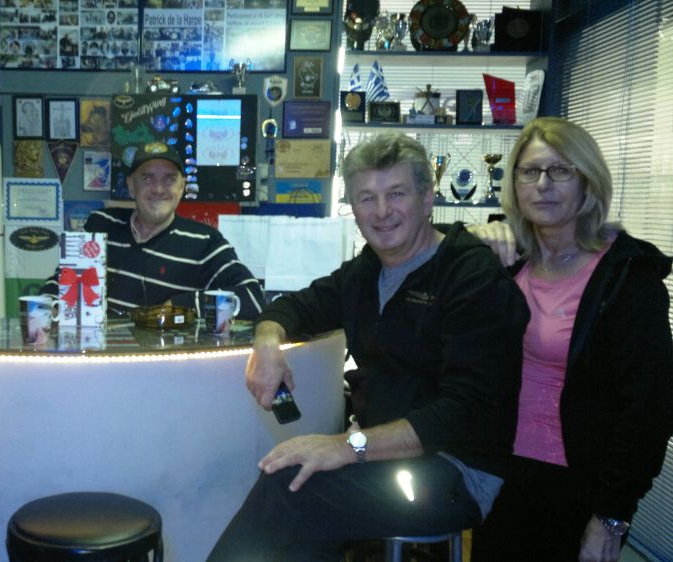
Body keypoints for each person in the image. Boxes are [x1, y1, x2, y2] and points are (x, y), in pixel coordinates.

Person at [207, 132, 530, 560]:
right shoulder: (366, 273)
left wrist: (346, 448)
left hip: (454, 473)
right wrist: (267, 342)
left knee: (290, 488)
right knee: (297, 492)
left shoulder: (471, 275)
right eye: (366, 198)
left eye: (396, 194)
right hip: (384, 457)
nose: (381, 211)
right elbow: (294, 306)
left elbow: (461, 414)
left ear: (427, 199)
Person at [466, 117, 673, 562]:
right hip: (498, 475)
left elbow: (649, 409)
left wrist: (612, 515)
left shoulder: (628, 278)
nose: (543, 185)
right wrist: (470, 241)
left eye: (560, 171)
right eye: (530, 171)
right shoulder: (506, 263)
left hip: (577, 489)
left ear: (587, 182)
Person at [41, 142, 264, 319]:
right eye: (147, 178)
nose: (158, 189)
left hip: (168, 362)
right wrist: (49, 307)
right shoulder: (101, 224)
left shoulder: (205, 242)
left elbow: (253, 298)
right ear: (131, 185)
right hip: (101, 358)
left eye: (169, 179)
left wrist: (183, 305)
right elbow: (61, 284)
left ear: (182, 186)